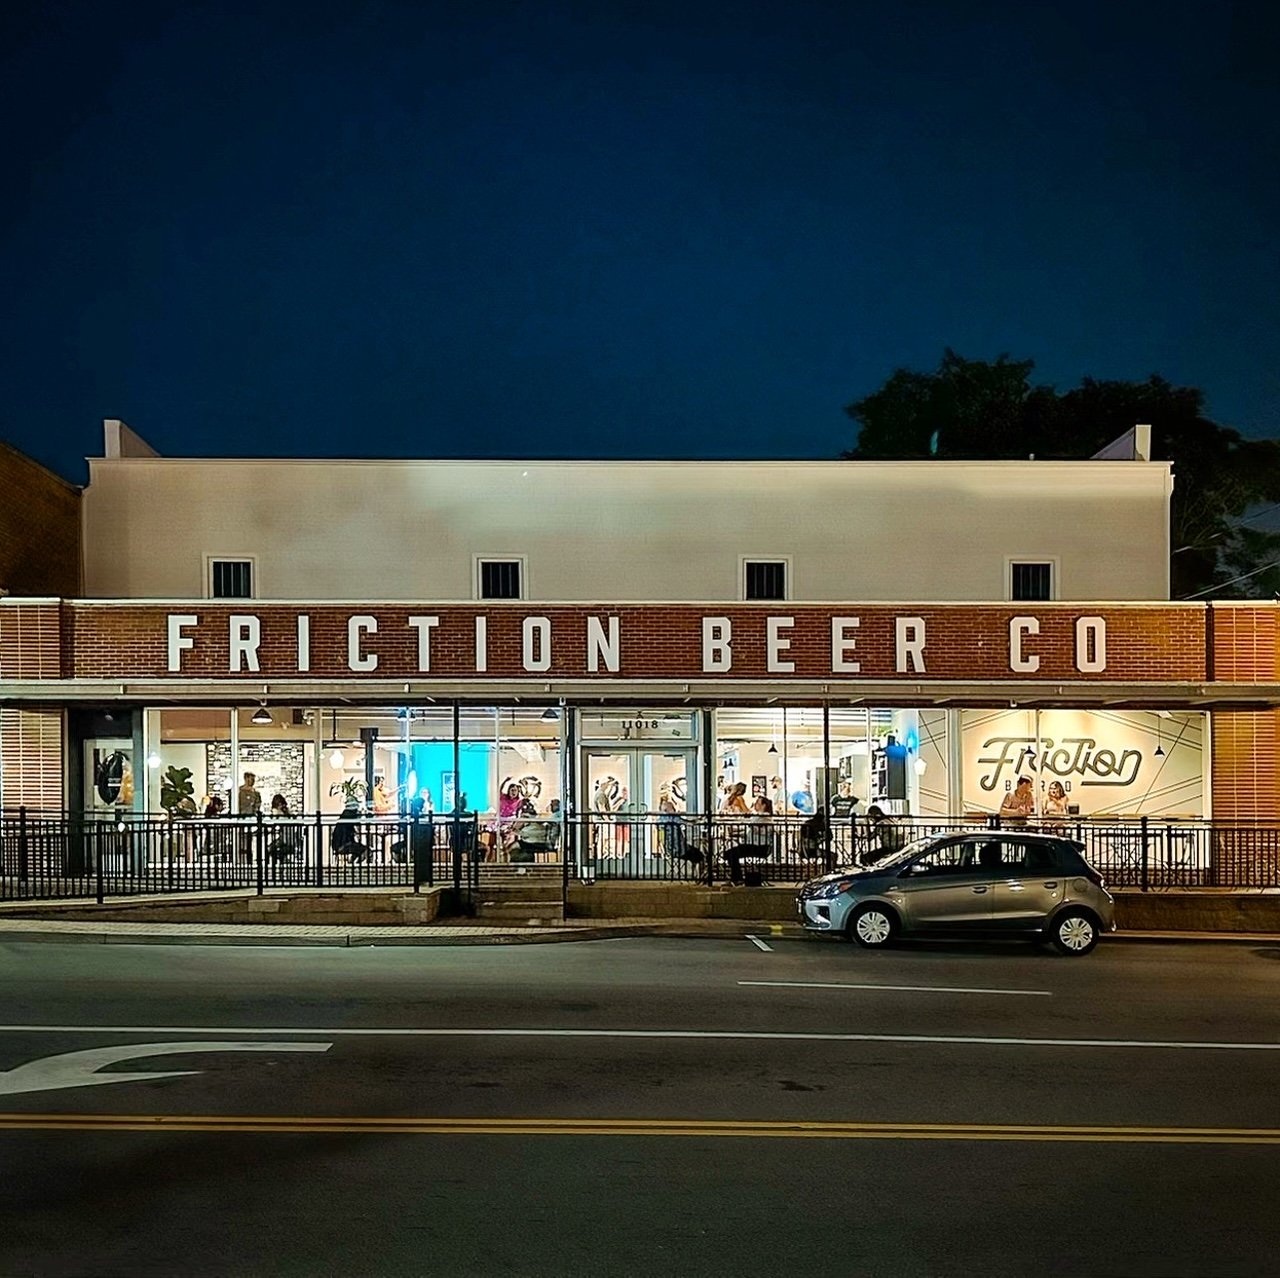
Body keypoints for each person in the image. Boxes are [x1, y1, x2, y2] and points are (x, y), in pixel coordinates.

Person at [725, 796, 774, 885]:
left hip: (759, 847)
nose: (755, 805)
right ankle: (736, 877)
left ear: (763, 806)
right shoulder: (759, 817)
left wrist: (753, 827)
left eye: (757, 803)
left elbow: (763, 831)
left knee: (732, 854)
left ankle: (737, 878)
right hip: (753, 845)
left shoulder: (765, 817)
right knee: (730, 853)